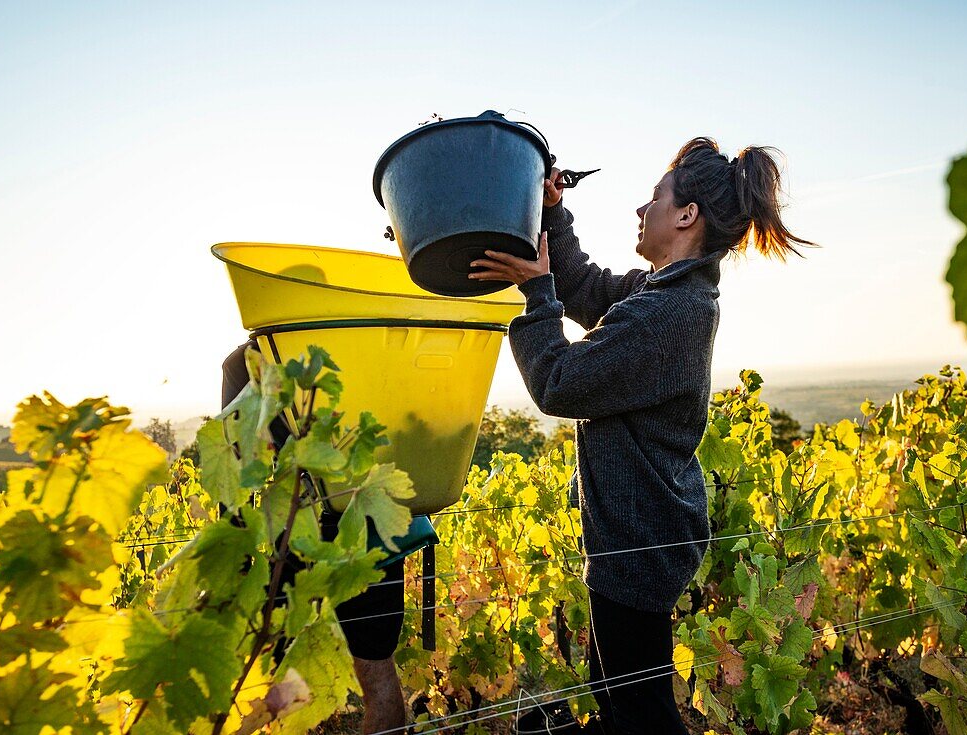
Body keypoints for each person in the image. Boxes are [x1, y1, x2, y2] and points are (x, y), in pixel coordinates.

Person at [469, 138, 815, 734]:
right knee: (622, 703)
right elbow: (584, 288)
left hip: (640, 545)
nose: (640, 209)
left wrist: (534, 293)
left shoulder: (672, 312)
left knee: (641, 716)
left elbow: (558, 383)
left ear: (686, 216)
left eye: (654, 197)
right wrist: (553, 212)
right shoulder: (664, 293)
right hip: (635, 538)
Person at [222, 341, 407, 734]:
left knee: (278, 677)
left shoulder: (248, 361)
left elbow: (234, 460)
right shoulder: (379, 342)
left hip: (298, 531)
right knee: (377, 668)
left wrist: (234, 552)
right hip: (372, 523)